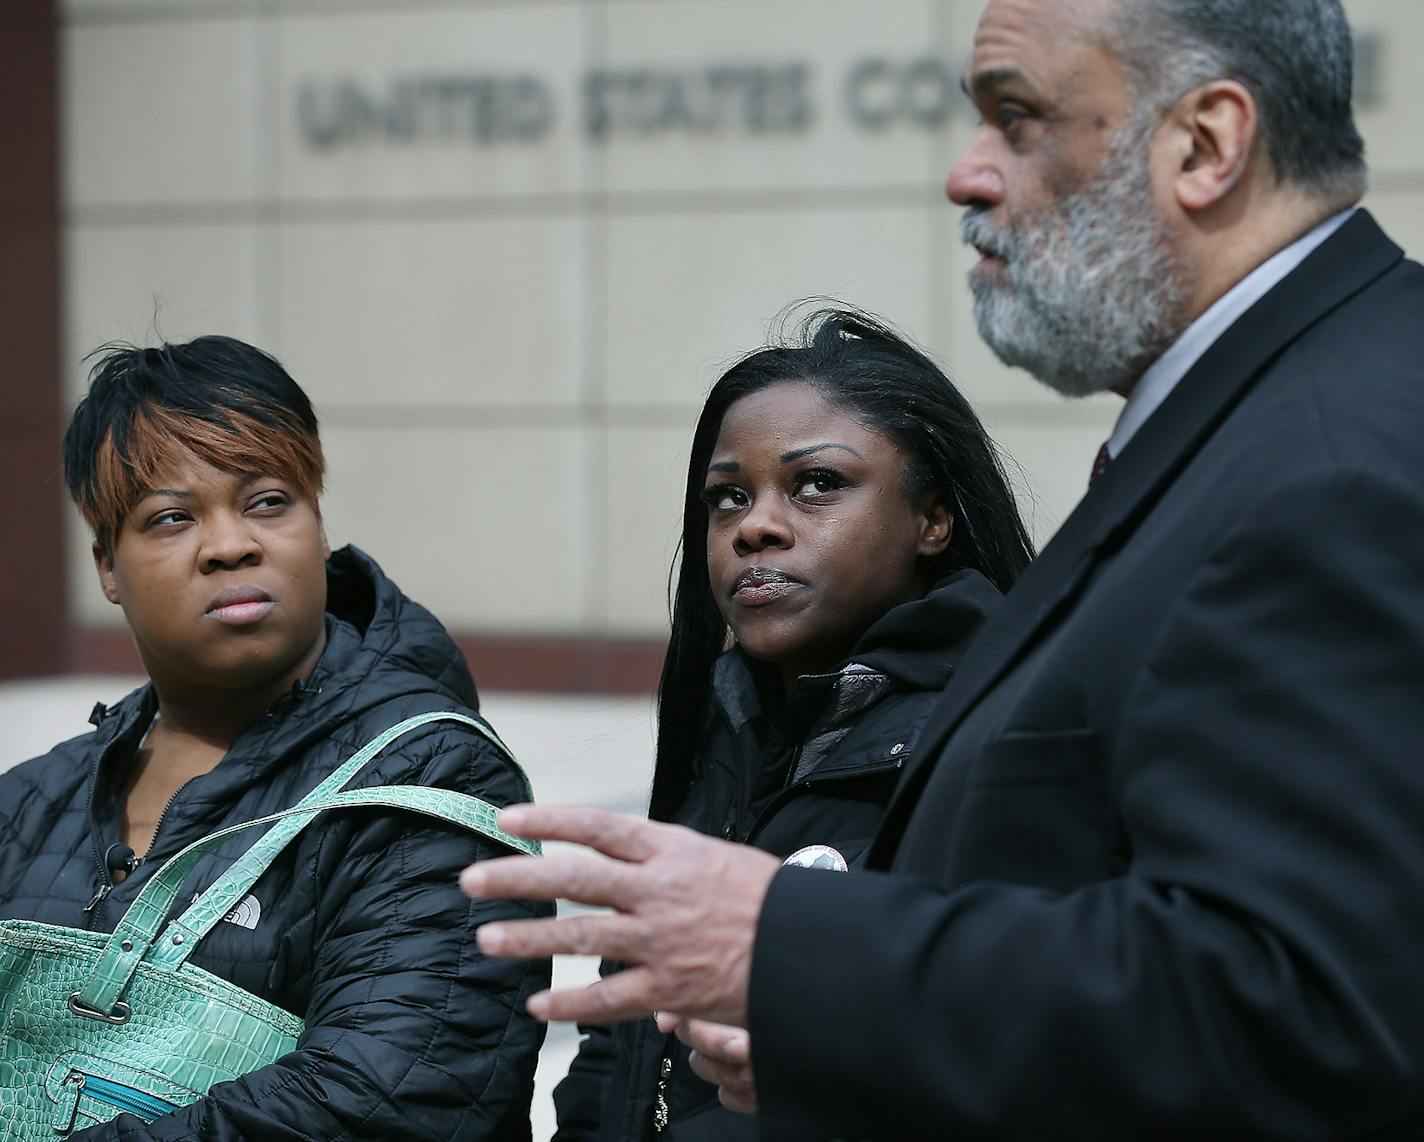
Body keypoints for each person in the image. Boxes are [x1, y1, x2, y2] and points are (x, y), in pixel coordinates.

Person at [461, 0, 1424, 1138]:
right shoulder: (1270, 417)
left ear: (1204, 144)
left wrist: (791, 949)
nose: (966, 176)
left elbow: (1302, 1009)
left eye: (1014, 120)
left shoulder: (1331, 457)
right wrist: (857, 1050)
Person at [0, 336, 549, 1138]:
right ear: (107, 568)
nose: (230, 545)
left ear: (319, 527)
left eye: (266, 501)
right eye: (171, 518)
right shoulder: (28, 802)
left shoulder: (437, 778)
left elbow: (387, 1100)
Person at [551, 309, 1034, 1140]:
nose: (755, 526)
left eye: (817, 484)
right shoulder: (729, 734)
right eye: (728, 497)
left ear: (935, 520)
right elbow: (624, 1045)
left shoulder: (1000, 748)